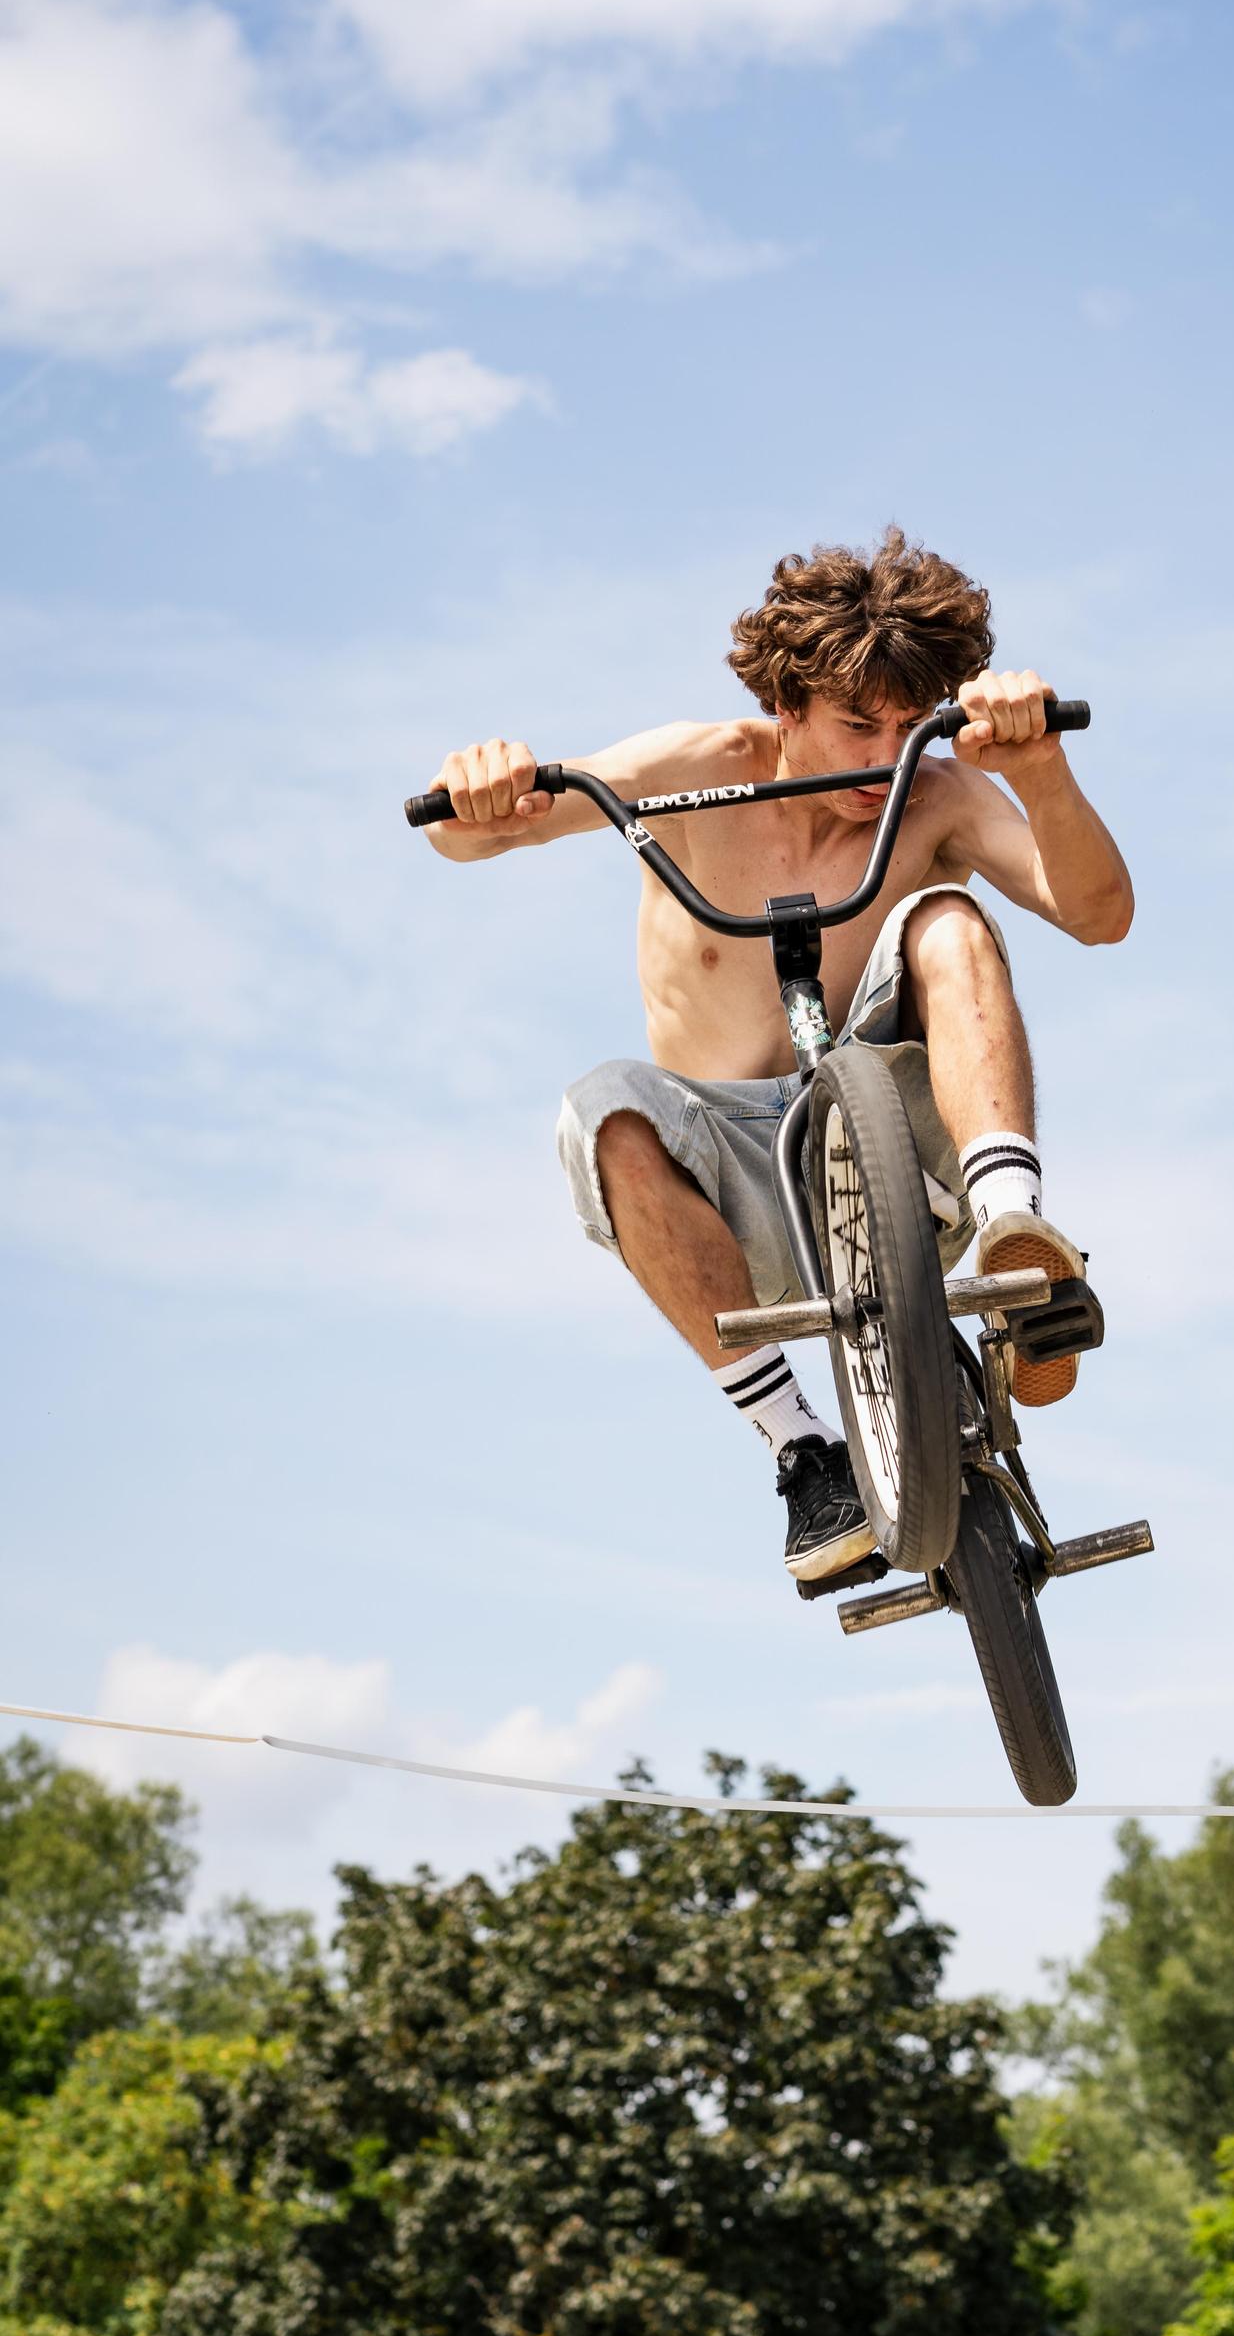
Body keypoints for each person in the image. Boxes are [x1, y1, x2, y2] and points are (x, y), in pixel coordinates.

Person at [423, 528, 1134, 1584]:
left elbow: (1099, 915)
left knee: (948, 915)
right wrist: (476, 791)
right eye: (858, 725)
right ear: (786, 705)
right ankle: (803, 1452)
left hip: (905, 1148)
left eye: (911, 726)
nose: (886, 758)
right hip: (736, 1198)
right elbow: (478, 833)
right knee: (601, 1106)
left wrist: (1043, 771)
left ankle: (1013, 1236)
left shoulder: (936, 797)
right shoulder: (696, 770)